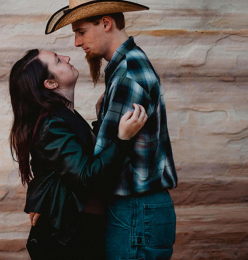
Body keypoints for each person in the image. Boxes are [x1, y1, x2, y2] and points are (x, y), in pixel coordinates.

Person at [46, 0, 178, 260]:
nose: (77, 42)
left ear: (106, 23)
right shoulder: (125, 67)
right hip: (138, 212)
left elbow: (99, 167)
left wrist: (48, 199)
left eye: (81, 32)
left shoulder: (128, 74)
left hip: (136, 212)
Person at [9, 48, 148, 259]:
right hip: (69, 240)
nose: (67, 57)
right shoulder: (52, 124)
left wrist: (102, 117)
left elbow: (71, 165)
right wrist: (123, 139)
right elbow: (86, 177)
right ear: (51, 83)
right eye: (57, 61)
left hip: (81, 233)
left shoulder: (63, 116)